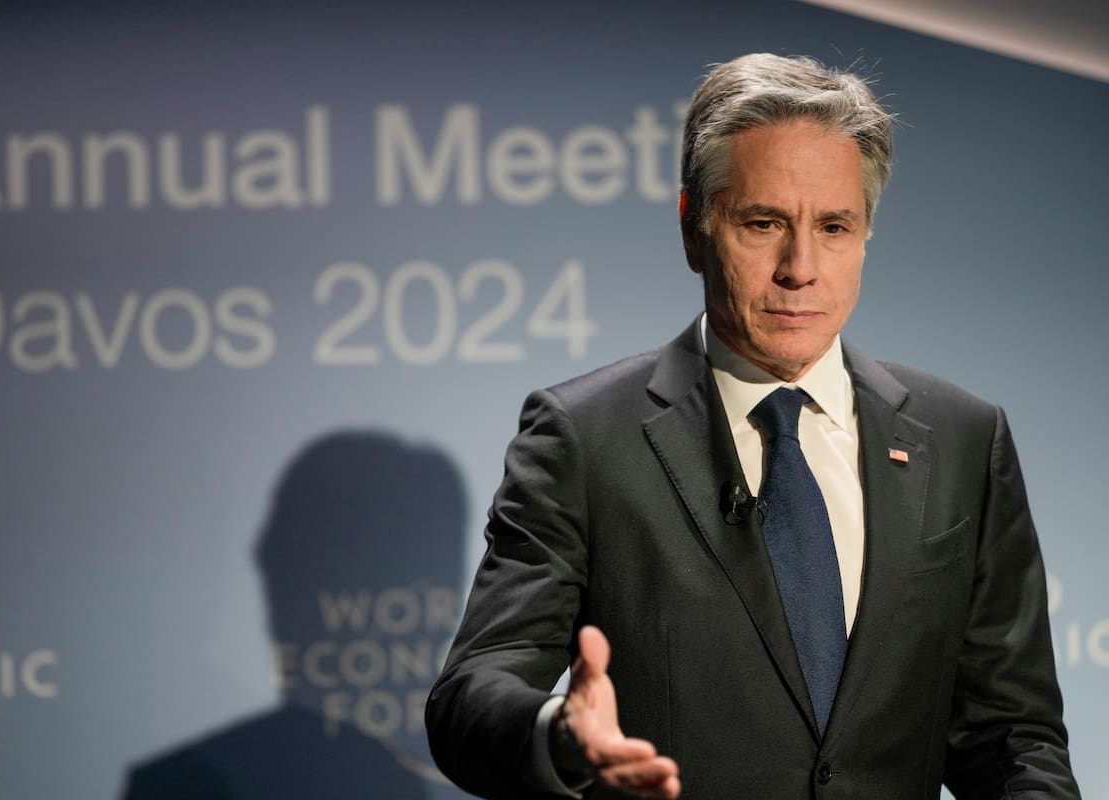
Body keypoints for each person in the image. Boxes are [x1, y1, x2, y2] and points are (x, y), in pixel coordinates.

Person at [425, 53, 1080, 799]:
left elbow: (1011, 736)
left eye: (834, 226)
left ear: (866, 235)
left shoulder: (962, 439)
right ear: (694, 228)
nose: (801, 267)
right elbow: (472, 691)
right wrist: (562, 738)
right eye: (764, 223)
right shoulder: (586, 439)